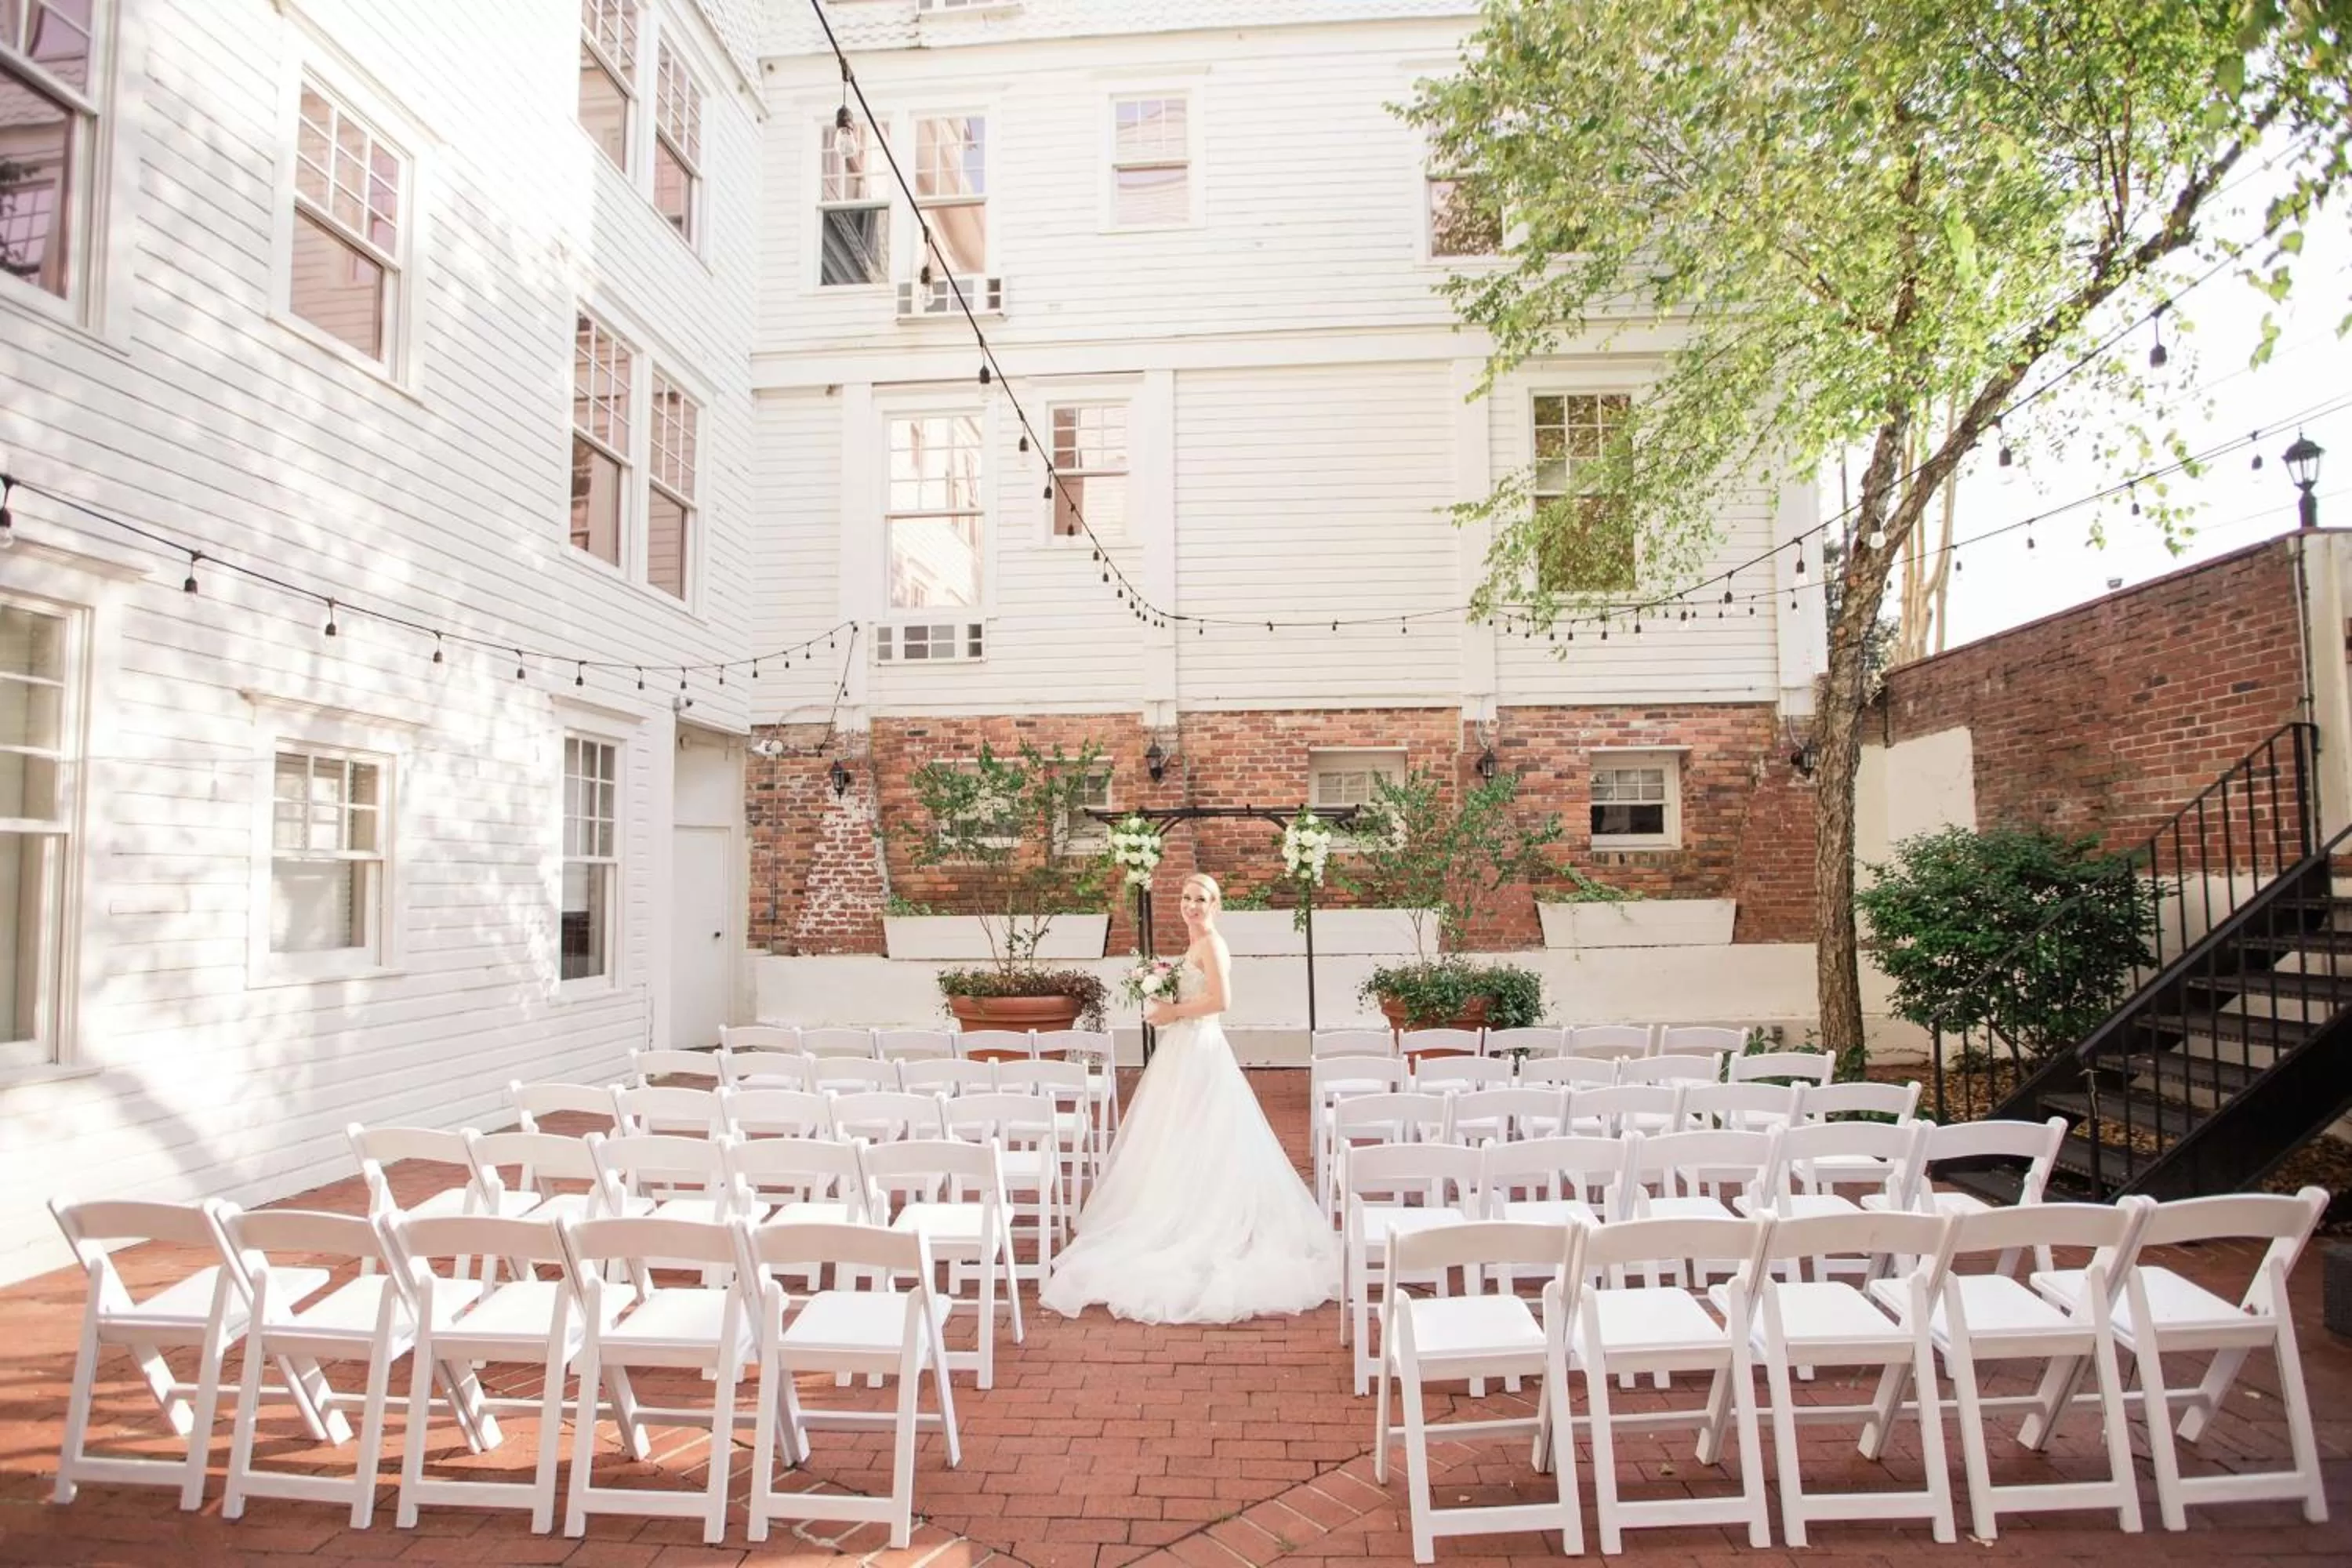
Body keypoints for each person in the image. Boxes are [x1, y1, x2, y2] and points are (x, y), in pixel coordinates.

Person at [1040, 872, 1341, 1323]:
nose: (1192, 905)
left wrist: (1172, 1011)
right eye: (1186, 898)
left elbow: (1222, 1000)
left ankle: (1204, 1217)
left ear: (1216, 905)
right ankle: (1175, 1206)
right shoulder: (1194, 945)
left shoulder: (1213, 945)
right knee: (1176, 1133)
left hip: (1201, 1048)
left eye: (1201, 899)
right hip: (1180, 1048)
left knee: (1205, 1129)